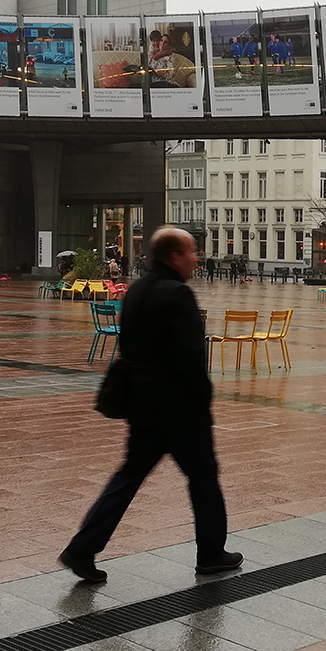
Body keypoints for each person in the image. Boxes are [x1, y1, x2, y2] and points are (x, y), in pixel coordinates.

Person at [59, 227, 241, 583]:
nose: (196, 258)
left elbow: (130, 347)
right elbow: (190, 358)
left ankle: (82, 547)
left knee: (128, 476)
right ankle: (211, 553)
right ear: (174, 257)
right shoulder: (178, 295)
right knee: (203, 478)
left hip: (142, 403)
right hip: (180, 409)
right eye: (191, 252)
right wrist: (202, 401)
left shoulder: (137, 291)